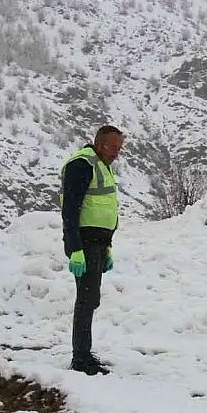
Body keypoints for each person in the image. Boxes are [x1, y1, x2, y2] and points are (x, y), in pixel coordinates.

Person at [59, 125, 124, 375]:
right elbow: (71, 210)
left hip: (96, 243)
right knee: (86, 300)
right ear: (98, 143)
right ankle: (81, 358)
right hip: (84, 243)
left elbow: (102, 210)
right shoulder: (82, 165)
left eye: (119, 149)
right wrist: (75, 248)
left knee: (91, 298)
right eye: (112, 147)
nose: (116, 153)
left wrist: (107, 246)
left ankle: (84, 353)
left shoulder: (101, 166)